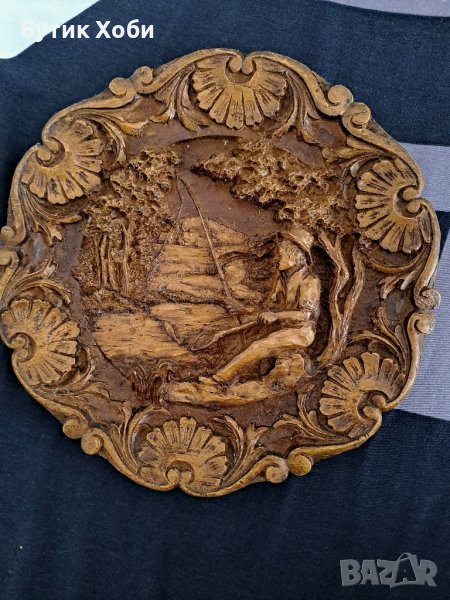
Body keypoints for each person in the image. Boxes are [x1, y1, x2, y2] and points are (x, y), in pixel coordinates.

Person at [201, 226, 321, 385]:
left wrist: (276, 316)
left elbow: (306, 315)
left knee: (259, 346)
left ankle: (221, 377)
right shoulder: (283, 279)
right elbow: (270, 307)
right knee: (245, 336)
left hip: (300, 332)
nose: (276, 259)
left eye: (280, 255)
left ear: (293, 256)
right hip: (283, 327)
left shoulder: (309, 281)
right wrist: (243, 312)